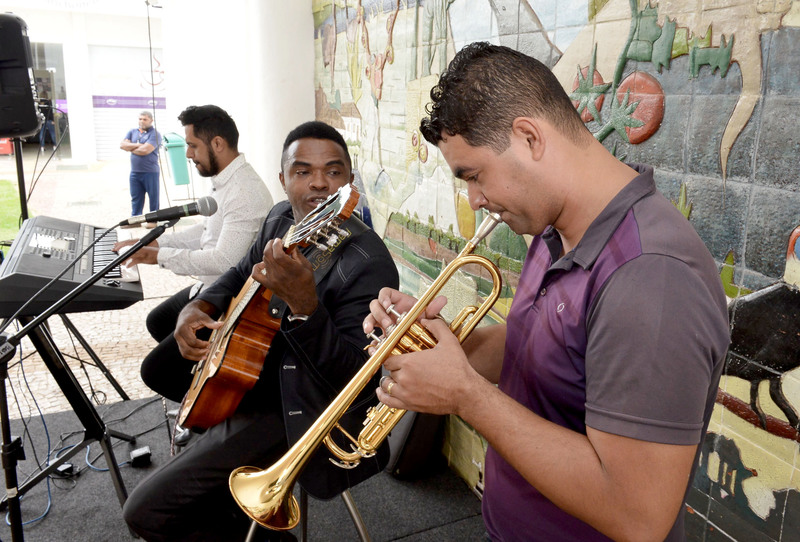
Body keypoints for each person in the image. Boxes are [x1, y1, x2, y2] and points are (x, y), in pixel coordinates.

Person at [363, 42, 730, 541]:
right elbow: (538, 345)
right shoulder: (553, 226)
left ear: (529, 138)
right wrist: (437, 344)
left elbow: (638, 516)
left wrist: (467, 396)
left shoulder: (652, 278)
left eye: (474, 176)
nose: (474, 199)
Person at [122, 121, 399, 541]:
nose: (319, 183)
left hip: (302, 405)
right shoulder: (281, 217)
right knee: (160, 367)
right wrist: (200, 306)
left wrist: (306, 307)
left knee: (146, 513)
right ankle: (221, 471)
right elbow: (239, 271)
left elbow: (355, 380)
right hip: (254, 370)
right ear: (283, 179)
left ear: (348, 182)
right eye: (303, 171)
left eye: (333, 171)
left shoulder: (367, 262)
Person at [113, 104, 273, 345]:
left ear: (217, 144)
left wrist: (157, 256)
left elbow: (223, 261)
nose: (188, 154)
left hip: (227, 299)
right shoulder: (225, 179)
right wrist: (154, 242)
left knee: (153, 365)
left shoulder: (244, 192)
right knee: (157, 321)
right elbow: (206, 231)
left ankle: (202, 364)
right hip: (209, 286)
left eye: (192, 145)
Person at [121, 110, 162, 227]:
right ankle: (135, 221)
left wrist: (130, 148)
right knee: (136, 197)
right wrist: (138, 145)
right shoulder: (132, 132)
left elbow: (145, 150)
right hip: (135, 172)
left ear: (151, 120)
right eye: (140, 119)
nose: (142, 121)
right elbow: (122, 145)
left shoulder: (155, 134)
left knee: (153, 197)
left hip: (150, 172)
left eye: (145, 119)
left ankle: (153, 220)